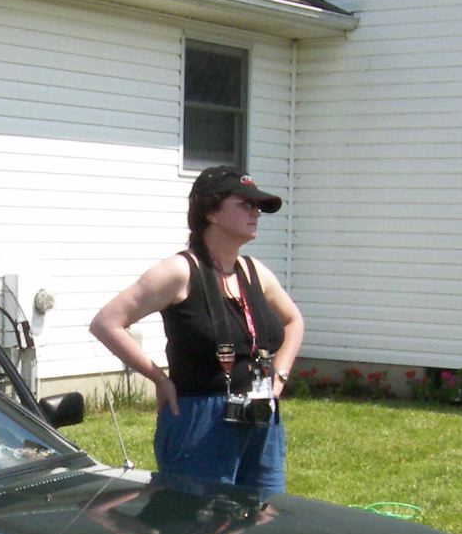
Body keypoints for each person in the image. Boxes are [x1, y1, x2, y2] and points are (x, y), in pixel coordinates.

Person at [90, 165, 305, 490]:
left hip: (261, 416)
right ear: (211, 212)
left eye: (258, 206)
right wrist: (159, 379)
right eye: (245, 204)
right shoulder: (180, 271)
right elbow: (107, 323)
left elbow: (294, 321)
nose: (256, 212)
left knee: (263, 520)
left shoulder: (253, 271)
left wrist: (281, 375)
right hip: (200, 419)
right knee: (198, 527)